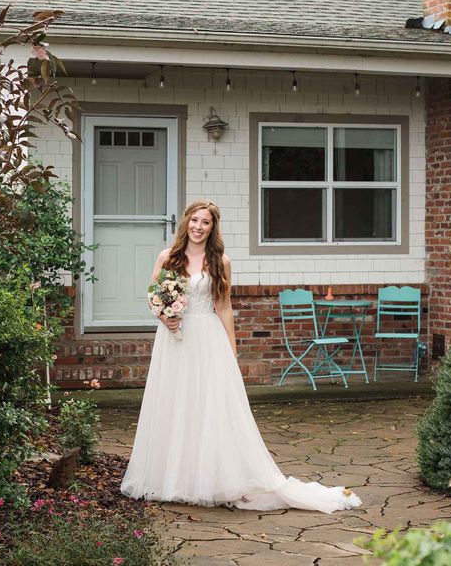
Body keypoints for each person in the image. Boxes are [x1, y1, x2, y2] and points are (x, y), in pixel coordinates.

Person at [120, 199, 362, 512]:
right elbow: (152, 294)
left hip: (208, 338)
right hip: (173, 340)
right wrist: (163, 316)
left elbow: (223, 306)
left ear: (212, 227)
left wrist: (231, 350)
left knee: (209, 407)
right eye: (194, 220)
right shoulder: (168, 257)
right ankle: (171, 478)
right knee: (174, 402)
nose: (198, 227)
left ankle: (210, 479)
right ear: (186, 222)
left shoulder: (221, 262)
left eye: (205, 222)